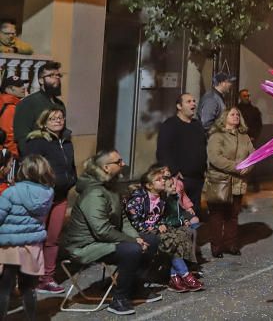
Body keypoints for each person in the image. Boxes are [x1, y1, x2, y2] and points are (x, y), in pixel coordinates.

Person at [61, 150, 162, 315]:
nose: (123, 164)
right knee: (132, 250)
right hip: (86, 246)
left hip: (104, 240)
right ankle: (119, 299)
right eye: (119, 161)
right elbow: (101, 230)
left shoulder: (110, 188)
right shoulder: (94, 193)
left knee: (151, 240)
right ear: (106, 167)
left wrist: (136, 237)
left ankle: (135, 286)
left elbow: (123, 219)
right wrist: (132, 242)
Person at [123, 165, 202, 293]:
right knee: (170, 240)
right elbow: (134, 222)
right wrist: (156, 226)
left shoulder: (161, 198)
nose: (163, 181)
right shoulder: (138, 199)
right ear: (149, 185)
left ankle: (174, 277)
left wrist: (162, 223)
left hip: (156, 230)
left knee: (182, 234)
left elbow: (161, 217)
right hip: (139, 232)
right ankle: (185, 275)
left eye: (163, 179)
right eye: (159, 180)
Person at [22, 108, 75, 294]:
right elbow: (30, 167)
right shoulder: (37, 141)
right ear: (44, 122)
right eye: (52, 118)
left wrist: (72, 180)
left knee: (52, 239)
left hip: (60, 197)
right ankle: (29, 278)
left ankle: (47, 278)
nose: (57, 121)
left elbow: (71, 167)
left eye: (60, 117)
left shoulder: (67, 142)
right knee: (35, 237)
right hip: (41, 196)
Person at [0, 154, 53, 320]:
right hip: (32, 246)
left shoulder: (11, 192)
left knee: (4, 288)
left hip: (9, 246)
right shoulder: (48, 193)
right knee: (28, 288)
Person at [205, 107, 254, 258]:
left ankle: (231, 245)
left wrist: (249, 166)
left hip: (238, 183)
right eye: (232, 114)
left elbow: (253, 154)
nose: (236, 116)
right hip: (220, 183)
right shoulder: (217, 136)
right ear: (224, 117)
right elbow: (215, 158)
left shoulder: (244, 136)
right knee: (217, 216)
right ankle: (216, 247)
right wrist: (238, 167)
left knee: (233, 215)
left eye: (238, 114)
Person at [157, 93, 207, 214]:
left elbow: (202, 148)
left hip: (197, 178)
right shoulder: (170, 125)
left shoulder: (197, 125)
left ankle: (196, 231)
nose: (193, 104)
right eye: (189, 101)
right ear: (179, 106)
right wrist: (173, 171)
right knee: (179, 212)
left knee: (195, 211)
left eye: (194, 101)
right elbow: (163, 151)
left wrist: (204, 169)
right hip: (180, 178)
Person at [12, 61, 64, 153]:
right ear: (40, 80)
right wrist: (34, 162)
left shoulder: (60, 104)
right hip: (37, 160)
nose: (56, 78)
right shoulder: (28, 103)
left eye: (58, 75)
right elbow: (22, 138)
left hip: (57, 158)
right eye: (51, 75)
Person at [0, 76, 26, 159]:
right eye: (19, 86)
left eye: (23, 84)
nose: (23, 87)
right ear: (8, 89)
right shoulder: (11, 107)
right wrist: (15, 155)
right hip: (8, 156)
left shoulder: (5, 103)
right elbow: (9, 135)